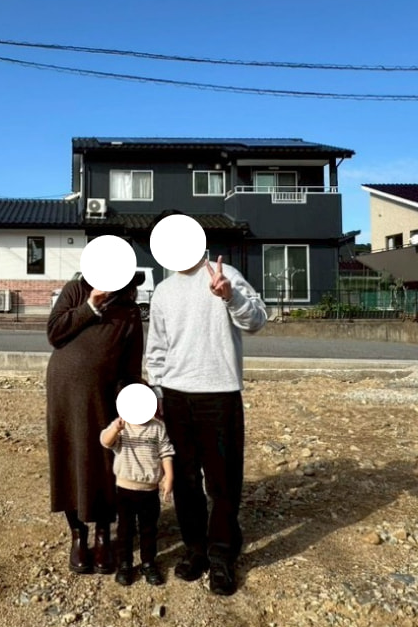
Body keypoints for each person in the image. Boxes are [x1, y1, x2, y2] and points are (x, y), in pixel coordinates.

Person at [146, 248, 266, 596]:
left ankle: (222, 555)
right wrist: (156, 392)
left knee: (223, 481)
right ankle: (196, 548)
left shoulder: (223, 274)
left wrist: (229, 295)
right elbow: (156, 346)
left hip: (220, 393)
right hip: (175, 396)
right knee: (184, 480)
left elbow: (258, 320)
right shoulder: (164, 291)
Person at [46, 272, 146, 575]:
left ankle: (104, 533)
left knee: (104, 460)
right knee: (69, 454)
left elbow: (131, 365)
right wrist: (90, 306)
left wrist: (132, 402)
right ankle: (78, 535)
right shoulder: (75, 290)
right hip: (64, 392)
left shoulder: (129, 311)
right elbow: (55, 332)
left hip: (106, 395)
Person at [99, 412, 175, 586]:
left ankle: (148, 563)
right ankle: (124, 564)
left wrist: (169, 477)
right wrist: (116, 429)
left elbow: (166, 452)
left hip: (149, 490)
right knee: (125, 529)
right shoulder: (121, 426)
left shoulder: (157, 427)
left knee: (149, 529)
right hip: (125, 489)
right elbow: (105, 441)